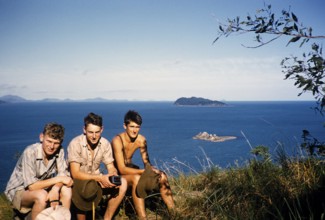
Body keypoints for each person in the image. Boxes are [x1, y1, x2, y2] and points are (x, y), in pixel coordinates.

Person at [111, 110, 175, 219]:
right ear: (124, 126)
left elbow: (147, 163)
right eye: (132, 126)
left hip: (132, 171)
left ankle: (174, 212)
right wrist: (143, 172)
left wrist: (152, 171)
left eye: (137, 127)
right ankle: (142, 217)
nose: (135, 130)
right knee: (136, 178)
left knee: (162, 176)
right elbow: (121, 169)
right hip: (118, 175)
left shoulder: (141, 140)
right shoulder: (117, 140)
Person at [5, 123, 73, 220]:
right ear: (41, 137)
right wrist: (59, 179)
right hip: (20, 190)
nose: (52, 146)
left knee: (67, 189)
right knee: (41, 195)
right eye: (49, 141)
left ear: (61, 142)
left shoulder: (60, 151)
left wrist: (55, 189)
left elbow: (63, 175)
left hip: (41, 186)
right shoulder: (30, 152)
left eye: (56, 143)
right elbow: (32, 186)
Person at [67, 112, 127, 220]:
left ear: (102, 129)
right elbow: (75, 174)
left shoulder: (105, 144)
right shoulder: (75, 144)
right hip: (79, 183)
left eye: (97, 132)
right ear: (84, 130)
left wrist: (112, 174)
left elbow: (110, 166)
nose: (94, 136)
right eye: (90, 132)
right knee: (85, 187)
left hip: (96, 179)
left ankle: (107, 218)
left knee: (123, 184)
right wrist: (100, 178)